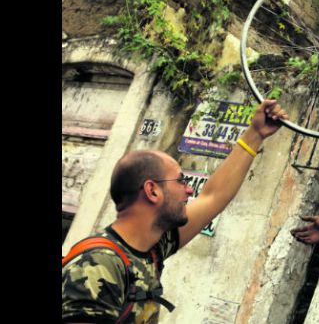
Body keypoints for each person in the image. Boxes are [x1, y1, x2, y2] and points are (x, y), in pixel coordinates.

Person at [62, 100, 288, 324]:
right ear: (152, 191)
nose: (190, 189)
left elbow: (213, 197)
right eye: (181, 181)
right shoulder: (97, 264)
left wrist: (255, 134)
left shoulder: (153, 247)